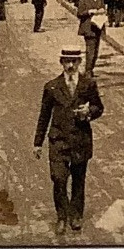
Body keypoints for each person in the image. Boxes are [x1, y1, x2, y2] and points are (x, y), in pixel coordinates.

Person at [33, 47, 104, 235]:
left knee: (79, 180)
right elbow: (44, 115)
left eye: (74, 61)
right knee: (58, 179)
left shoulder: (88, 85)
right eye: (66, 61)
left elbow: (99, 107)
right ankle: (62, 217)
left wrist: (88, 112)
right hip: (59, 141)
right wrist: (38, 142)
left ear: (80, 62)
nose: (70, 65)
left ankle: (76, 215)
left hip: (80, 140)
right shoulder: (52, 87)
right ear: (61, 63)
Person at [76, 0, 106, 75]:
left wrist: (102, 10)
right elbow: (79, 13)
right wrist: (89, 11)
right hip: (88, 28)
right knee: (90, 51)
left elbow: (103, 9)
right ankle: (88, 71)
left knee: (96, 52)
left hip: (98, 27)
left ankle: (91, 69)